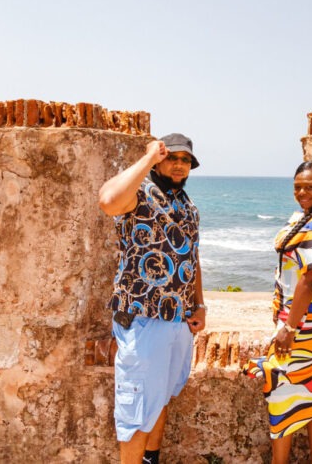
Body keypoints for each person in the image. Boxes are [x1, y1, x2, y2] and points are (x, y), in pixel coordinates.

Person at [99, 133, 206, 464]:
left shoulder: (187, 206)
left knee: (160, 399)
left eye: (185, 160)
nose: (179, 165)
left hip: (177, 320)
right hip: (143, 318)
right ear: (159, 161)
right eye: (171, 157)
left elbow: (192, 258)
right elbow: (108, 200)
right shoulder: (140, 193)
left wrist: (199, 304)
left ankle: (151, 459)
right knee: (136, 410)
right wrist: (147, 157)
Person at [244, 161, 312, 464]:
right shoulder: (308, 218)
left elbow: (310, 277)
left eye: (310, 187)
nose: (302, 192)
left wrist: (289, 327)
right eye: (297, 187)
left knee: (279, 387)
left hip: (306, 323)